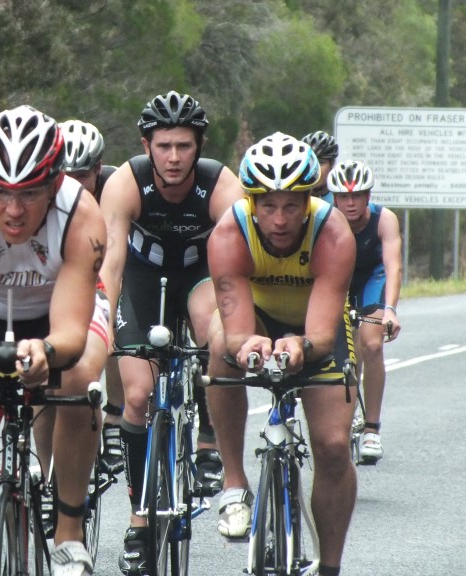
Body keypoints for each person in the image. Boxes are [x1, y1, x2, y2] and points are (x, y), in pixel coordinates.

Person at [0, 106, 108, 576]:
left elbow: (70, 333)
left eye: (29, 194)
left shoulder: (82, 215)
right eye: (0, 193)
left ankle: (68, 530)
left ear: (54, 183)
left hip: (59, 312)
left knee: (83, 375)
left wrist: (46, 353)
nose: (13, 210)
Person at [97, 91, 242, 574]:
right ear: (147, 145)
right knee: (137, 396)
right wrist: (104, 320)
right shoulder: (125, 182)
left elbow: (235, 267)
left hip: (201, 273)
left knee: (215, 336)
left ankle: (207, 439)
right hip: (141, 277)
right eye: (164, 146)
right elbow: (112, 262)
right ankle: (139, 519)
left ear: (198, 146)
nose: (174, 157)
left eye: (184, 145)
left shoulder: (220, 184)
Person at [205, 132, 357, 576]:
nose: (279, 219)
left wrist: (301, 347)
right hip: (259, 319)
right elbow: (234, 330)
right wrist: (246, 345)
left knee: (331, 447)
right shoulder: (229, 233)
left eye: (291, 205)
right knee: (218, 347)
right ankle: (234, 484)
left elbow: (322, 336)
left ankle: (329, 565)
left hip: (316, 327)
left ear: (309, 200)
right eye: (268, 205)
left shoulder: (332, 233)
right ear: (251, 201)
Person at [57, 119, 124, 475]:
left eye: (81, 175)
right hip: (67, 267)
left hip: (111, 264)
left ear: (98, 170)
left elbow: (116, 254)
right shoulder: (44, 191)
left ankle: (115, 414)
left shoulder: (114, 186)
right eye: (63, 173)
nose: (71, 184)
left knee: (114, 330)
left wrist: (107, 312)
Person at [327, 160, 402, 464]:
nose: (350, 202)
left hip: (372, 278)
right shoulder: (323, 218)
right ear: (333, 198)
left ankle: (372, 429)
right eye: (344, 197)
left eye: (357, 196)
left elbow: (394, 265)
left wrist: (391, 311)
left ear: (368, 196)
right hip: (337, 278)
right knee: (340, 350)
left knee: (371, 344)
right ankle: (341, 417)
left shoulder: (385, 219)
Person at [302, 129, 340, 202]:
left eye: (321, 163)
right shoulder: (295, 198)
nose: (315, 169)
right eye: (310, 162)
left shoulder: (343, 199)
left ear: (331, 165)